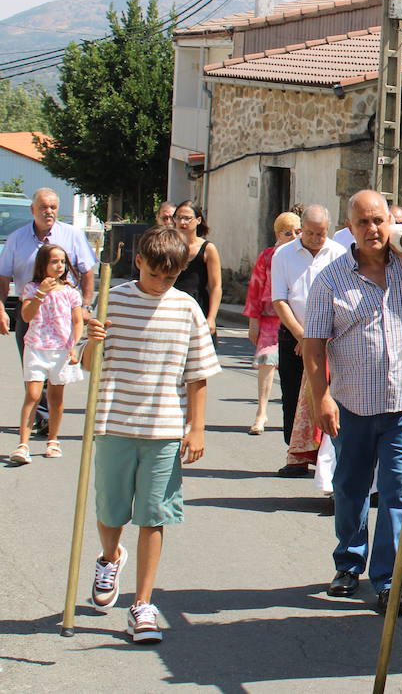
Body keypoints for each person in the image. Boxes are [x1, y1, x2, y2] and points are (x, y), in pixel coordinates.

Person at [304, 190, 402, 615]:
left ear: (393, 221)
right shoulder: (330, 278)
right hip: (352, 406)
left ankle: (389, 579)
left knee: (398, 492)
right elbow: (313, 347)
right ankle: (348, 562)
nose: (373, 230)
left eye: (379, 220)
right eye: (363, 222)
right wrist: (320, 398)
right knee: (350, 490)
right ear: (350, 228)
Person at [84, 226, 220, 643]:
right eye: (156, 274)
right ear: (139, 262)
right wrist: (92, 339)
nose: (162, 283)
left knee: (153, 516)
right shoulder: (113, 300)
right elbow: (90, 365)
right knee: (111, 511)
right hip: (113, 423)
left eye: (171, 277)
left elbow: (197, 374)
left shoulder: (186, 309)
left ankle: (142, 603)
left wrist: (196, 428)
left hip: (163, 429)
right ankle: (110, 558)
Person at [0, 188, 96, 435]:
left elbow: (87, 271)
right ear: (33, 210)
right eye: (43, 207)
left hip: (64, 313)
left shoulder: (72, 235)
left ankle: (49, 420)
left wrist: (85, 305)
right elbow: (4, 276)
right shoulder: (16, 239)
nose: (49, 211)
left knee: (57, 371)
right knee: (32, 367)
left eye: (53, 206)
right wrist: (1, 306)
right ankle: (42, 416)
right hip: (31, 311)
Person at [270, 206, 346, 473]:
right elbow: (279, 298)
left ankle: (325, 454)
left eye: (321, 233)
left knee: (325, 395)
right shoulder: (283, 254)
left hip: (329, 338)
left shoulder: (339, 253)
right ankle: (296, 454)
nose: (316, 238)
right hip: (294, 334)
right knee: (292, 394)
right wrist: (302, 335)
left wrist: (317, 338)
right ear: (302, 229)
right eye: (311, 233)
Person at [9, 244, 83, 464]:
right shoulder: (32, 289)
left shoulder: (70, 291)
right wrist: (41, 293)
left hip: (60, 350)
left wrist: (73, 344)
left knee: (56, 397)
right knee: (33, 394)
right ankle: (23, 444)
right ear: (43, 264)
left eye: (62, 261)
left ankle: (53, 439)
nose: (59, 266)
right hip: (36, 347)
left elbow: (77, 321)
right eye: (53, 261)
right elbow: (27, 315)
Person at [244, 212, 299, 435]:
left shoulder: (303, 255)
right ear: (278, 234)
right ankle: (261, 412)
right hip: (270, 318)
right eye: (288, 232)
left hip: (295, 318)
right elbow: (256, 287)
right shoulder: (268, 256)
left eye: (298, 231)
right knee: (266, 361)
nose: (294, 236)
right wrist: (253, 321)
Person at [170, 203, 221, 339]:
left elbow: (215, 286)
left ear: (198, 220)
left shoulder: (208, 248)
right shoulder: (169, 245)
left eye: (187, 218)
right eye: (178, 217)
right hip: (171, 304)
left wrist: (211, 317)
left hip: (197, 305)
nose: (182, 222)